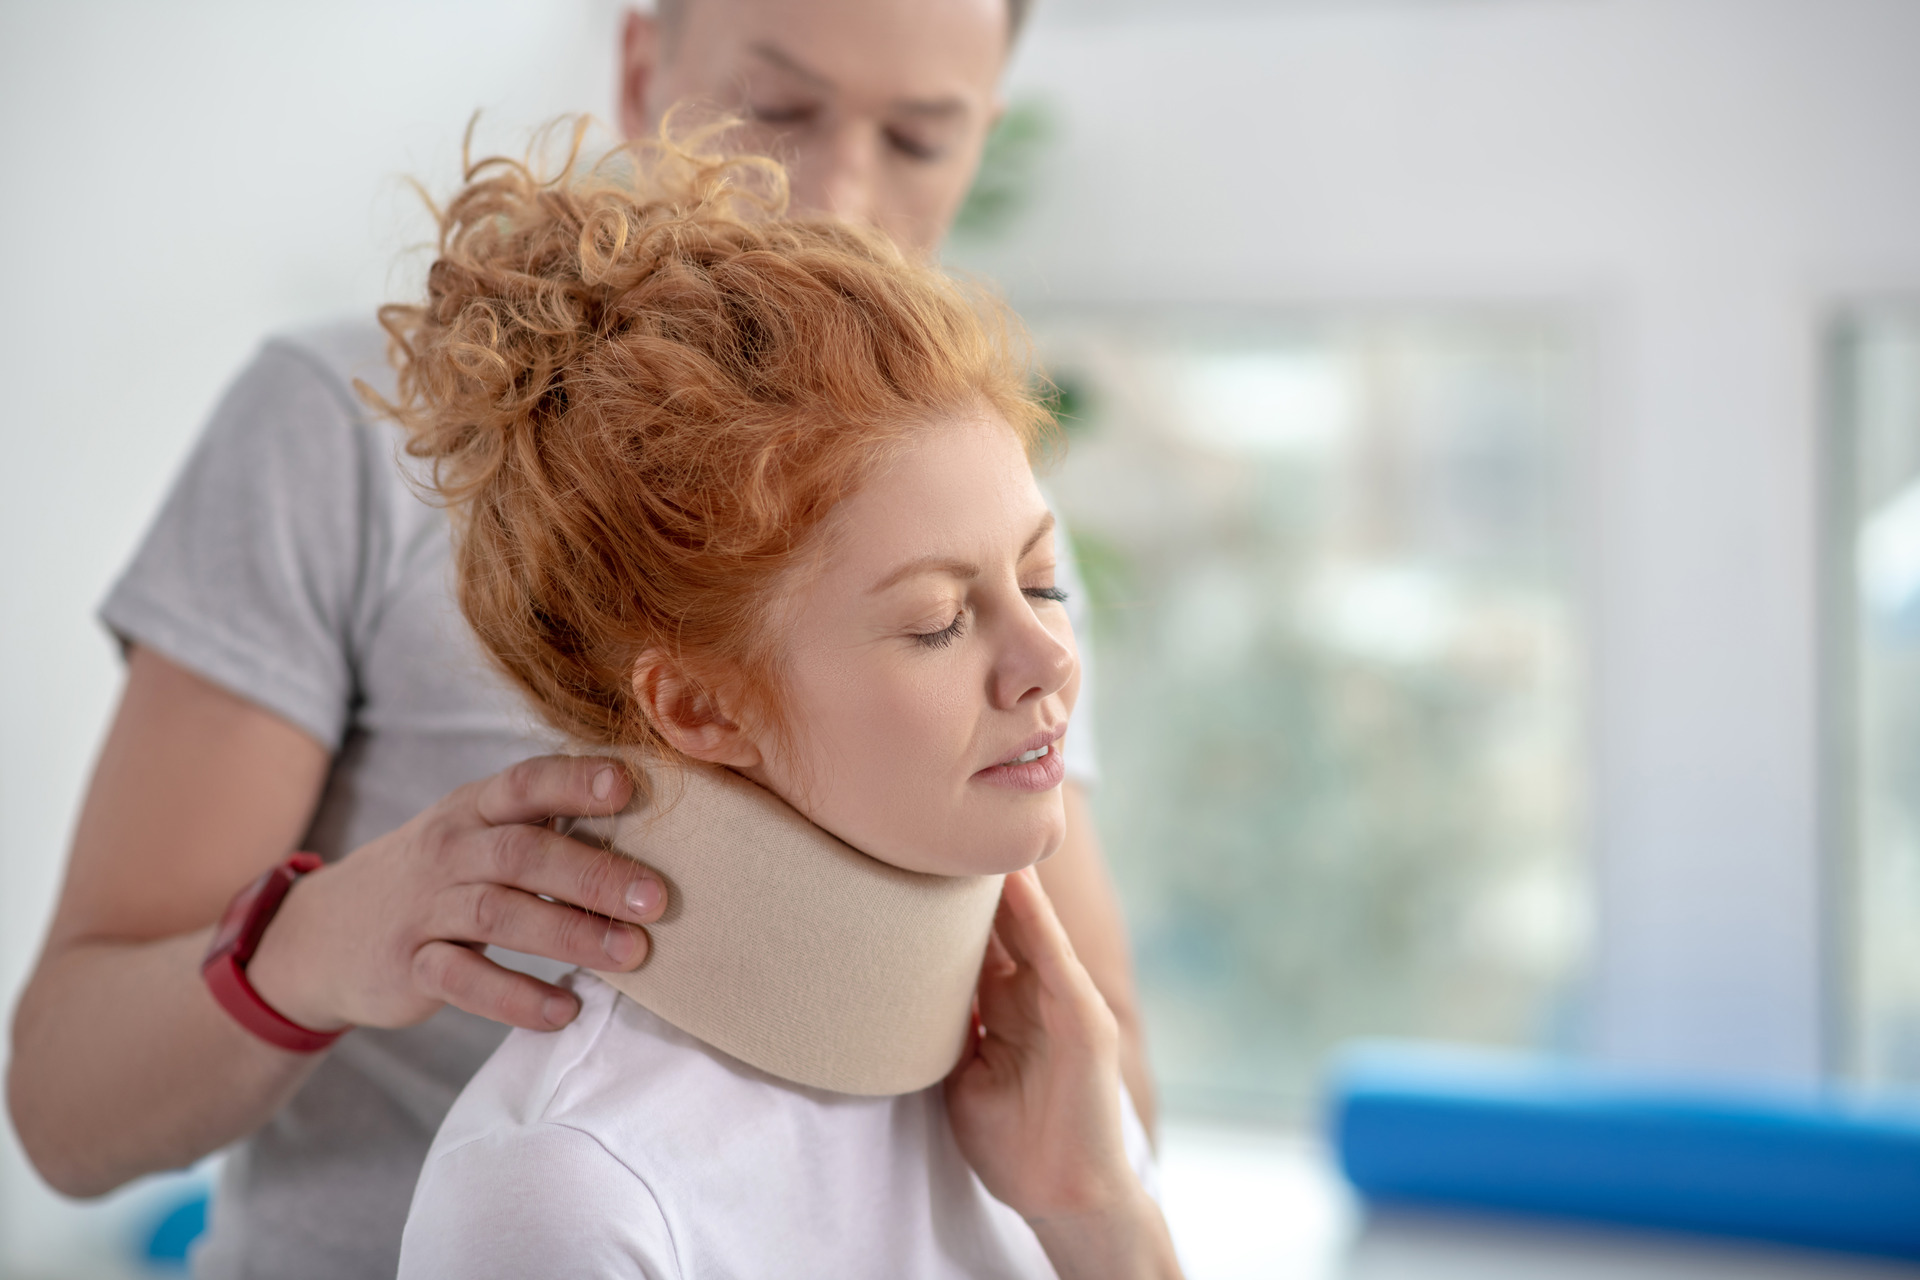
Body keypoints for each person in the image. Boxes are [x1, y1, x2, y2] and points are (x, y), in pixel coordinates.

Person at [6, 2, 1150, 1278]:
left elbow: (1087, 1083)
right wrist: (329, 938)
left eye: (922, 138)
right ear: (641, 64)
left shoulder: (976, 522)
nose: (836, 191)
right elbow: (62, 1108)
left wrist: (1106, 1218)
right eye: (776, 110)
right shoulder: (336, 440)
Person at [388, 131, 1179, 1277]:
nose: (1047, 661)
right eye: (938, 621)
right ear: (702, 710)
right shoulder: (565, 1197)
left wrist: (1101, 1213)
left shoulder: (1059, 1104)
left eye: (1043, 580)